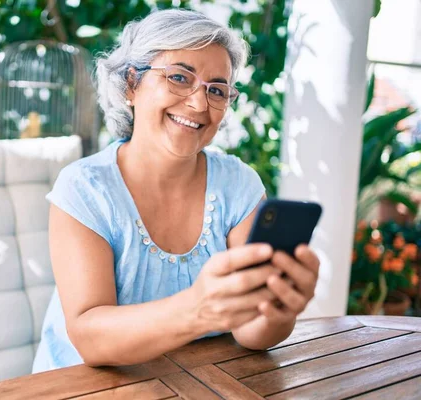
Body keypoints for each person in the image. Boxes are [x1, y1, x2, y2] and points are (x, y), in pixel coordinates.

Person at [32, 8, 320, 373]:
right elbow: (91, 339)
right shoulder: (86, 189)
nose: (199, 104)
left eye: (216, 89)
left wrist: (278, 309)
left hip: (201, 382)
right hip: (84, 387)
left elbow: (252, 333)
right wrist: (196, 309)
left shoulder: (238, 185)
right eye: (180, 78)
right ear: (131, 85)